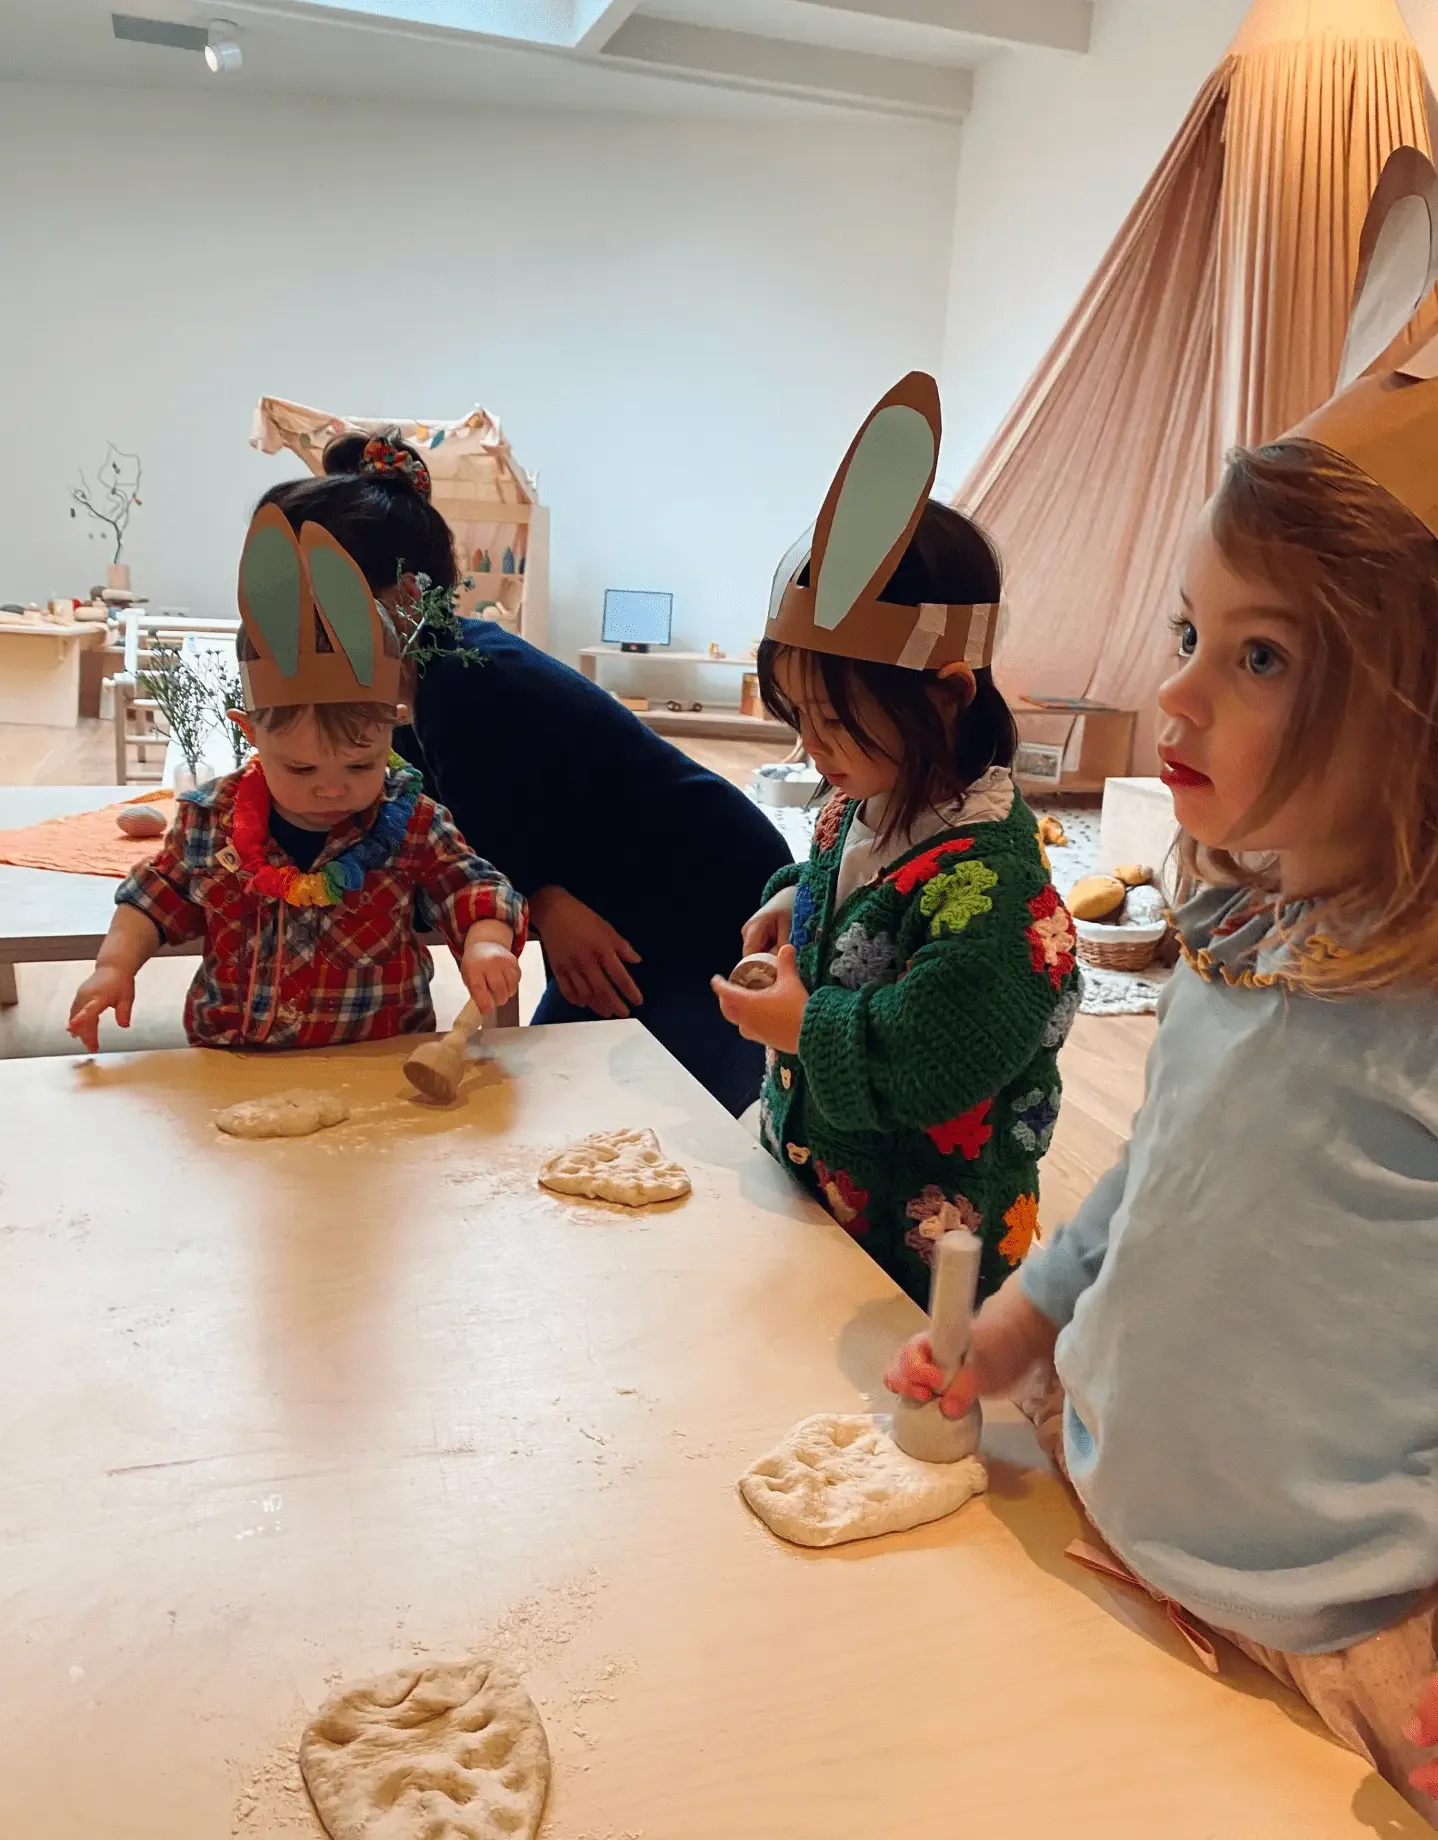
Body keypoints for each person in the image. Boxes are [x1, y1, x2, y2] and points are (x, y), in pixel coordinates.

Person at [887, 444, 1438, 1810]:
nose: (1174, 692)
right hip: (1105, 1497)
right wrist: (1022, 1322)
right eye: (1190, 632)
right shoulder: (1239, 931)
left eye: (1261, 658)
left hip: (1343, 1618)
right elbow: (1160, 1170)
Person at [712, 373, 1079, 1307]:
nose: (814, 747)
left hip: (924, 1243)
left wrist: (802, 1027)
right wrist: (801, 892)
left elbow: (932, 1060)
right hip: (828, 1185)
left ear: (948, 697)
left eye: (838, 720)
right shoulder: (865, 796)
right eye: (799, 716)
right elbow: (861, 884)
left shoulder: (996, 890)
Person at [307, 431, 793, 1115]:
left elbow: (496, 831)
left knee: (648, 1117)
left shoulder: (459, 678)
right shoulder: (418, 681)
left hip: (706, 899)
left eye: (327, 603)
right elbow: (455, 829)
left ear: (408, 596)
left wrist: (545, 901)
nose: (314, 627)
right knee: (560, 1097)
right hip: (621, 893)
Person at [68, 478, 525, 1052]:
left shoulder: (414, 823)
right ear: (251, 731)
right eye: (301, 770)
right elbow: (155, 899)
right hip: (233, 1061)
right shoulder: (209, 822)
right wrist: (114, 967)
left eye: (361, 765)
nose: (332, 788)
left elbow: (474, 887)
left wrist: (484, 942)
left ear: (394, 724)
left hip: (376, 1059)